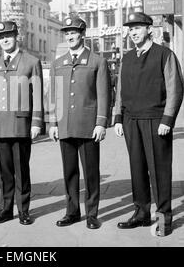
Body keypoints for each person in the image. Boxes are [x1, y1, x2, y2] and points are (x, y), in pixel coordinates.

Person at [114, 12, 184, 237]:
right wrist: (118, 118)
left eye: (138, 28)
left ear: (149, 30)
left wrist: (168, 119)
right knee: (137, 170)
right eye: (130, 29)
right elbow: (120, 91)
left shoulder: (164, 54)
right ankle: (141, 213)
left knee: (159, 172)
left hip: (156, 121)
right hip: (131, 120)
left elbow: (175, 89)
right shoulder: (127, 58)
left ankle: (164, 220)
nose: (133, 32)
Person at [49, 17, 110, 229]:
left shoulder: (97, 61)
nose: (70, 36)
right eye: (67, 33)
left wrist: (101, 123)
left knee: (91, 173)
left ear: (82, 34)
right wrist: (53, 123)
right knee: (70, 172)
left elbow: (103, 95)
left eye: (74, 32)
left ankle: (92, 214)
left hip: (88, 126)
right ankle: (72, 212)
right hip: (65, 126)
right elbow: (55, 96)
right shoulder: (58, 64)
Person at [0, 21, 44, 225]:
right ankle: (5, 209)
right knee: (4, 172)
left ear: (17, 36)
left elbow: (37, 96)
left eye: (8, 35)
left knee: (21, 170)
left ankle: (23, 210)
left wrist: (36, 122)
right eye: (1, 37)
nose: (4, 40)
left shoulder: (31, 62)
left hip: (20, 125)